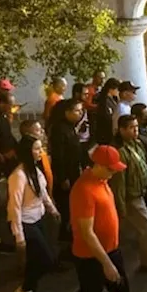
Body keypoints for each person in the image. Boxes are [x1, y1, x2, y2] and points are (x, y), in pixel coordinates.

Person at [39, 145, 147, 292]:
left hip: (110, 250)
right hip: (92, 256)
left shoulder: (102, 180)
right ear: (98, 165)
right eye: (110, 169)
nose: (114, 172)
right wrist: (106, 263)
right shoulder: (84, 189)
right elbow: (87, 233)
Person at [10, 134, 61, 292]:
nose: (41, 152)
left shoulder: (35, 170)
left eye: (41, 148)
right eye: (37, 149)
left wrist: (52, 209)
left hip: (38, 218)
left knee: (35, 260)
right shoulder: (18, 175)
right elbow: (14, 207)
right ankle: (24, 290)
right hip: (26, 222)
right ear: (27, 152)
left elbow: (43, 192)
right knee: (46, 259)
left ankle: (32, 291)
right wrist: (19, 236)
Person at [111, 115, 147, 273]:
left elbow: (143, 167)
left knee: (137, 228)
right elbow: (119, 182)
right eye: (131, 128)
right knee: (146, 228)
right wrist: (120, 205)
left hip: (139, 192)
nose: (135, 130)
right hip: (131, 196)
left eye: (136, 127)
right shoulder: (120, 151)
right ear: (121, 130)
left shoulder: (136, 144)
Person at [49, 99, 86, 243]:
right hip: (65, 175)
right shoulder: (59, 129)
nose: (80, 113)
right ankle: (65, 238)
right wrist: (63, 177)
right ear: (67, 112)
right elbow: (59, 156)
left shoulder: (70, 127)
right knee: (66, 207)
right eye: (77, 110)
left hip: (73, 172)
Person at [92, 78, 122, 145]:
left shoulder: (113, 99)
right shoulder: (104, 101)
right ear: (111, 89)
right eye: (117, 89)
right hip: (105, 132)